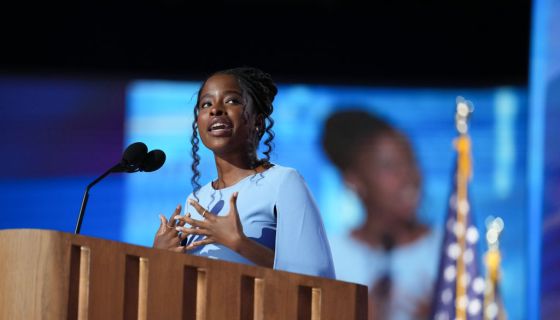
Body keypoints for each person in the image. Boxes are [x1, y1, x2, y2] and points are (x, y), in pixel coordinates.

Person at [153, 66, 335, 279]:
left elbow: (317, 277)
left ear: (257, 121)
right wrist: (161, 256)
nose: (216, 110)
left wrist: (239, 243)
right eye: (206, 104)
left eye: (232, 101)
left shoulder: (282, 182)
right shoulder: (196, 199)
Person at [321, 110, 440, 320]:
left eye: (411, 161)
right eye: (389, 166)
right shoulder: (330, 258)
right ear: (354, 180)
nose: (409, 176)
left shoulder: (448, 250)